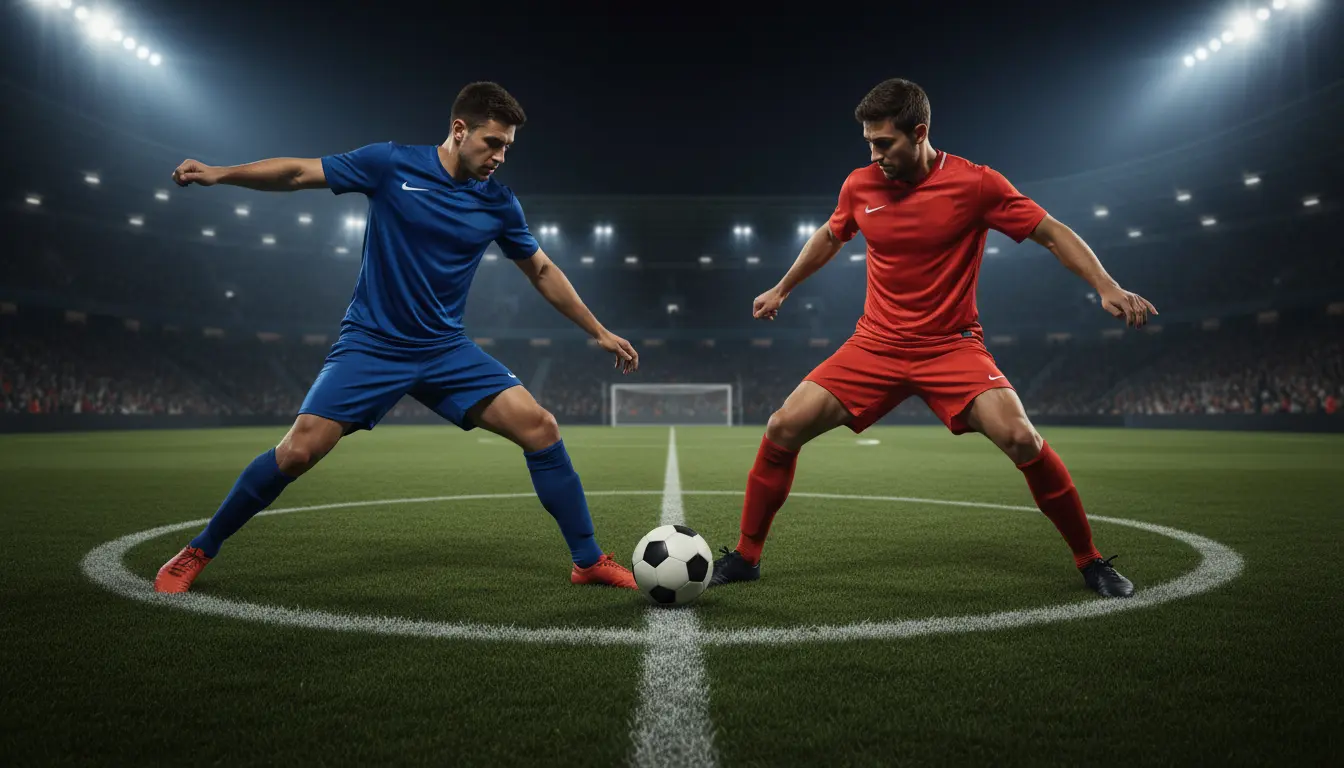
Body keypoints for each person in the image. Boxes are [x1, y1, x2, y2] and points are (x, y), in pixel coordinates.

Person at [155, 82, 640, 593]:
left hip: (445, 349)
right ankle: (198, 550)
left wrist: (599, 331)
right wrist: (220, 172)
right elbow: (298, 173)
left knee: (540, 427)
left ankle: (588, 560)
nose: (500, 156)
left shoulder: (499, 203)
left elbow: (541, 269)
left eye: (507, 147)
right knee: (297, 452)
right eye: (493, 143)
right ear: (460, 130)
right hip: (372, 344)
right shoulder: (390, 164)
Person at [711, 78, 1158, 598]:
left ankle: (1091, 561)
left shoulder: (977, 184)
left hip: (952, 346)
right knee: (783, 426)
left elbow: (1051, 232)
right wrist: (782, 287)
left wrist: (1106, 285)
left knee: (1021, 438)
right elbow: (832, 234)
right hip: (875, 345)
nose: (874, 156)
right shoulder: (859, 185)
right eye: (868, 143)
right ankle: (746, 557)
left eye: (884, 143)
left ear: (919, 133)